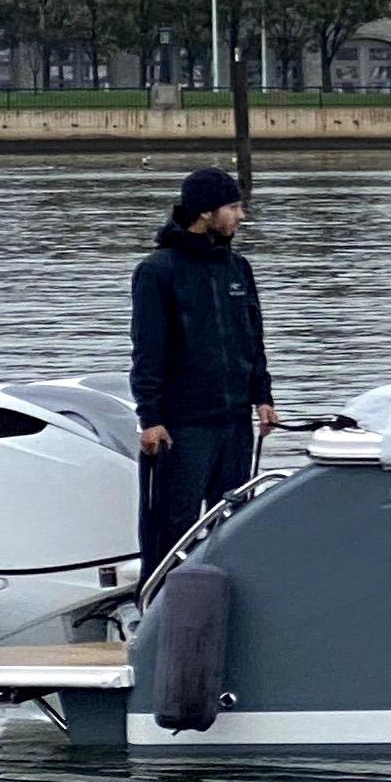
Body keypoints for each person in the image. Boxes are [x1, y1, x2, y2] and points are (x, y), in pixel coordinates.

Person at [132, 166, 275, 582]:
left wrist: (263, 396)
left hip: (235, 421)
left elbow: (254, 337)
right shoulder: (158, 271)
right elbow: (147, 349)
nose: (241, 216)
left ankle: (223, 596)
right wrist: (150, 417)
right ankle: (157, 602)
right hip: (182, 425)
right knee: (173, 524)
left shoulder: (237, 268)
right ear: (205, 212)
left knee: (233, 519)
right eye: (233, 207)